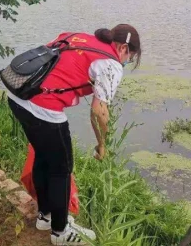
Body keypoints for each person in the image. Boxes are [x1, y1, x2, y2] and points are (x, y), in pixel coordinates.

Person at [8, 25, 141, 246]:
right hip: (43, 106)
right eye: (131, 56)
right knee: (61, 168)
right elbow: (99, 111)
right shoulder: (111, 64)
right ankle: (60, 232)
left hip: (18, 95)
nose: (128, 61)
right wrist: (102, 144)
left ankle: (46, 216)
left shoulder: (80, 37)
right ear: (124, 48)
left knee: (43, 156)